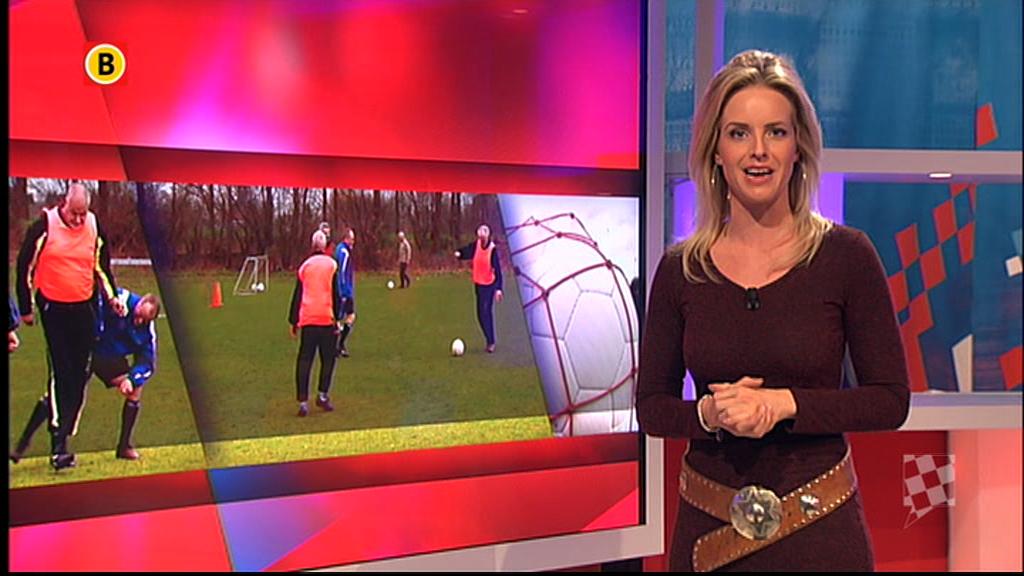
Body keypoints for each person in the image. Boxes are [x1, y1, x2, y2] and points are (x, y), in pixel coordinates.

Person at [636, 50, 910, 572]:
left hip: (820, 534)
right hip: (708, 532)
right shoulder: (680, 269)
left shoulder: (847, 256)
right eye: (739, 133)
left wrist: (784, 405)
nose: (758, 151)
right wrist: (709, 415)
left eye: (776, 133)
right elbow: (652, 407)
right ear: (716, 150)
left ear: (798, 147)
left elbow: (889, 400)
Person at [14, 182, 125, 471]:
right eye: (74, 213)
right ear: (64, 204)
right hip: (54, 308)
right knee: (61, 372)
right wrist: (26, 307)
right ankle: (58, 443)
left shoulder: (94, 226)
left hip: (83, 307)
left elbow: (101, 266)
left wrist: (112, 298)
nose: (78, 219)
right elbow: (24, 267)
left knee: (80, 374)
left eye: (82, 214)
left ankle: (63, 431)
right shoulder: (44, 225)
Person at [10, 288, 160, 463]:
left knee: (136, 389)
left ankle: (124, 446)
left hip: (108, 358)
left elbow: (147, 362)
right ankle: (25, 444)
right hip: (85, 350)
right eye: (139, 315)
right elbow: (90, 307)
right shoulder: (117, 299)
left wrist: (132, 379)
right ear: (139, 303)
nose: (139, 321)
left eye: (144, 320)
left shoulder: (147, 330)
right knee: (60, 396)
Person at [289, 230, 342, 416]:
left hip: (308, 319)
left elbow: (298, 294)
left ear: (312, 246)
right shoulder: (331, 265)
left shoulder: (305, 266)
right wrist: (338, 318)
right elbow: (336, 294)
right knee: (328, 359)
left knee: (305, 359)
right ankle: (322, 395)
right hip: (326, 318)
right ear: (325, 246)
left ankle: (303, 401)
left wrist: (293, 320)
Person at [454, 224, 504, 353]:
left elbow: (498, 271)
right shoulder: (475, 245)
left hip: (489, 285)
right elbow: (467, 251)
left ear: (487, 237)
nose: (481, 240)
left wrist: (499, 289)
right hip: (479, 285)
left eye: (483, 238)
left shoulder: (492, 250)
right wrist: (459, 253)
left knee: (486, 312)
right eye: (480, 238)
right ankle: (489, 339)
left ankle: (491, 342)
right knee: (480, 315)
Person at [333, 228, 357, 358]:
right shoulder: (343, 252)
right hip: (344, 291)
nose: (353, 242)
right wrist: (343, 291)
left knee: (349, 316)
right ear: (346, 239)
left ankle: (339, 345)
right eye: (352, 239)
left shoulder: (341, 249)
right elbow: (341, 273)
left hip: (345, 290)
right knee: (340, 319)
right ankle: (338, 346)